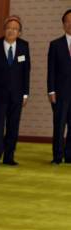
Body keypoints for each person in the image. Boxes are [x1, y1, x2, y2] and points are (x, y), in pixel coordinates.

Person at [0, 15, 31, 166]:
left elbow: (26, 71)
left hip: (17, 94)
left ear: (19, 32)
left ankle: (9, 157)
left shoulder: (24, 46)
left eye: (15, 29)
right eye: (9, 28)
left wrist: (25, 93)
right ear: (4, 30)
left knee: (13, 126)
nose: (11, 31)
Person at [47, 9, 71, 164]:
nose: (70, 24)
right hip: (60, 92)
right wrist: (51, 90)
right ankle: (57, 156)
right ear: (63, 24)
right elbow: (51, 70)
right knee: (59, 125)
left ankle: (69, 156)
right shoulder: (55, 44)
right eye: (67, 21)